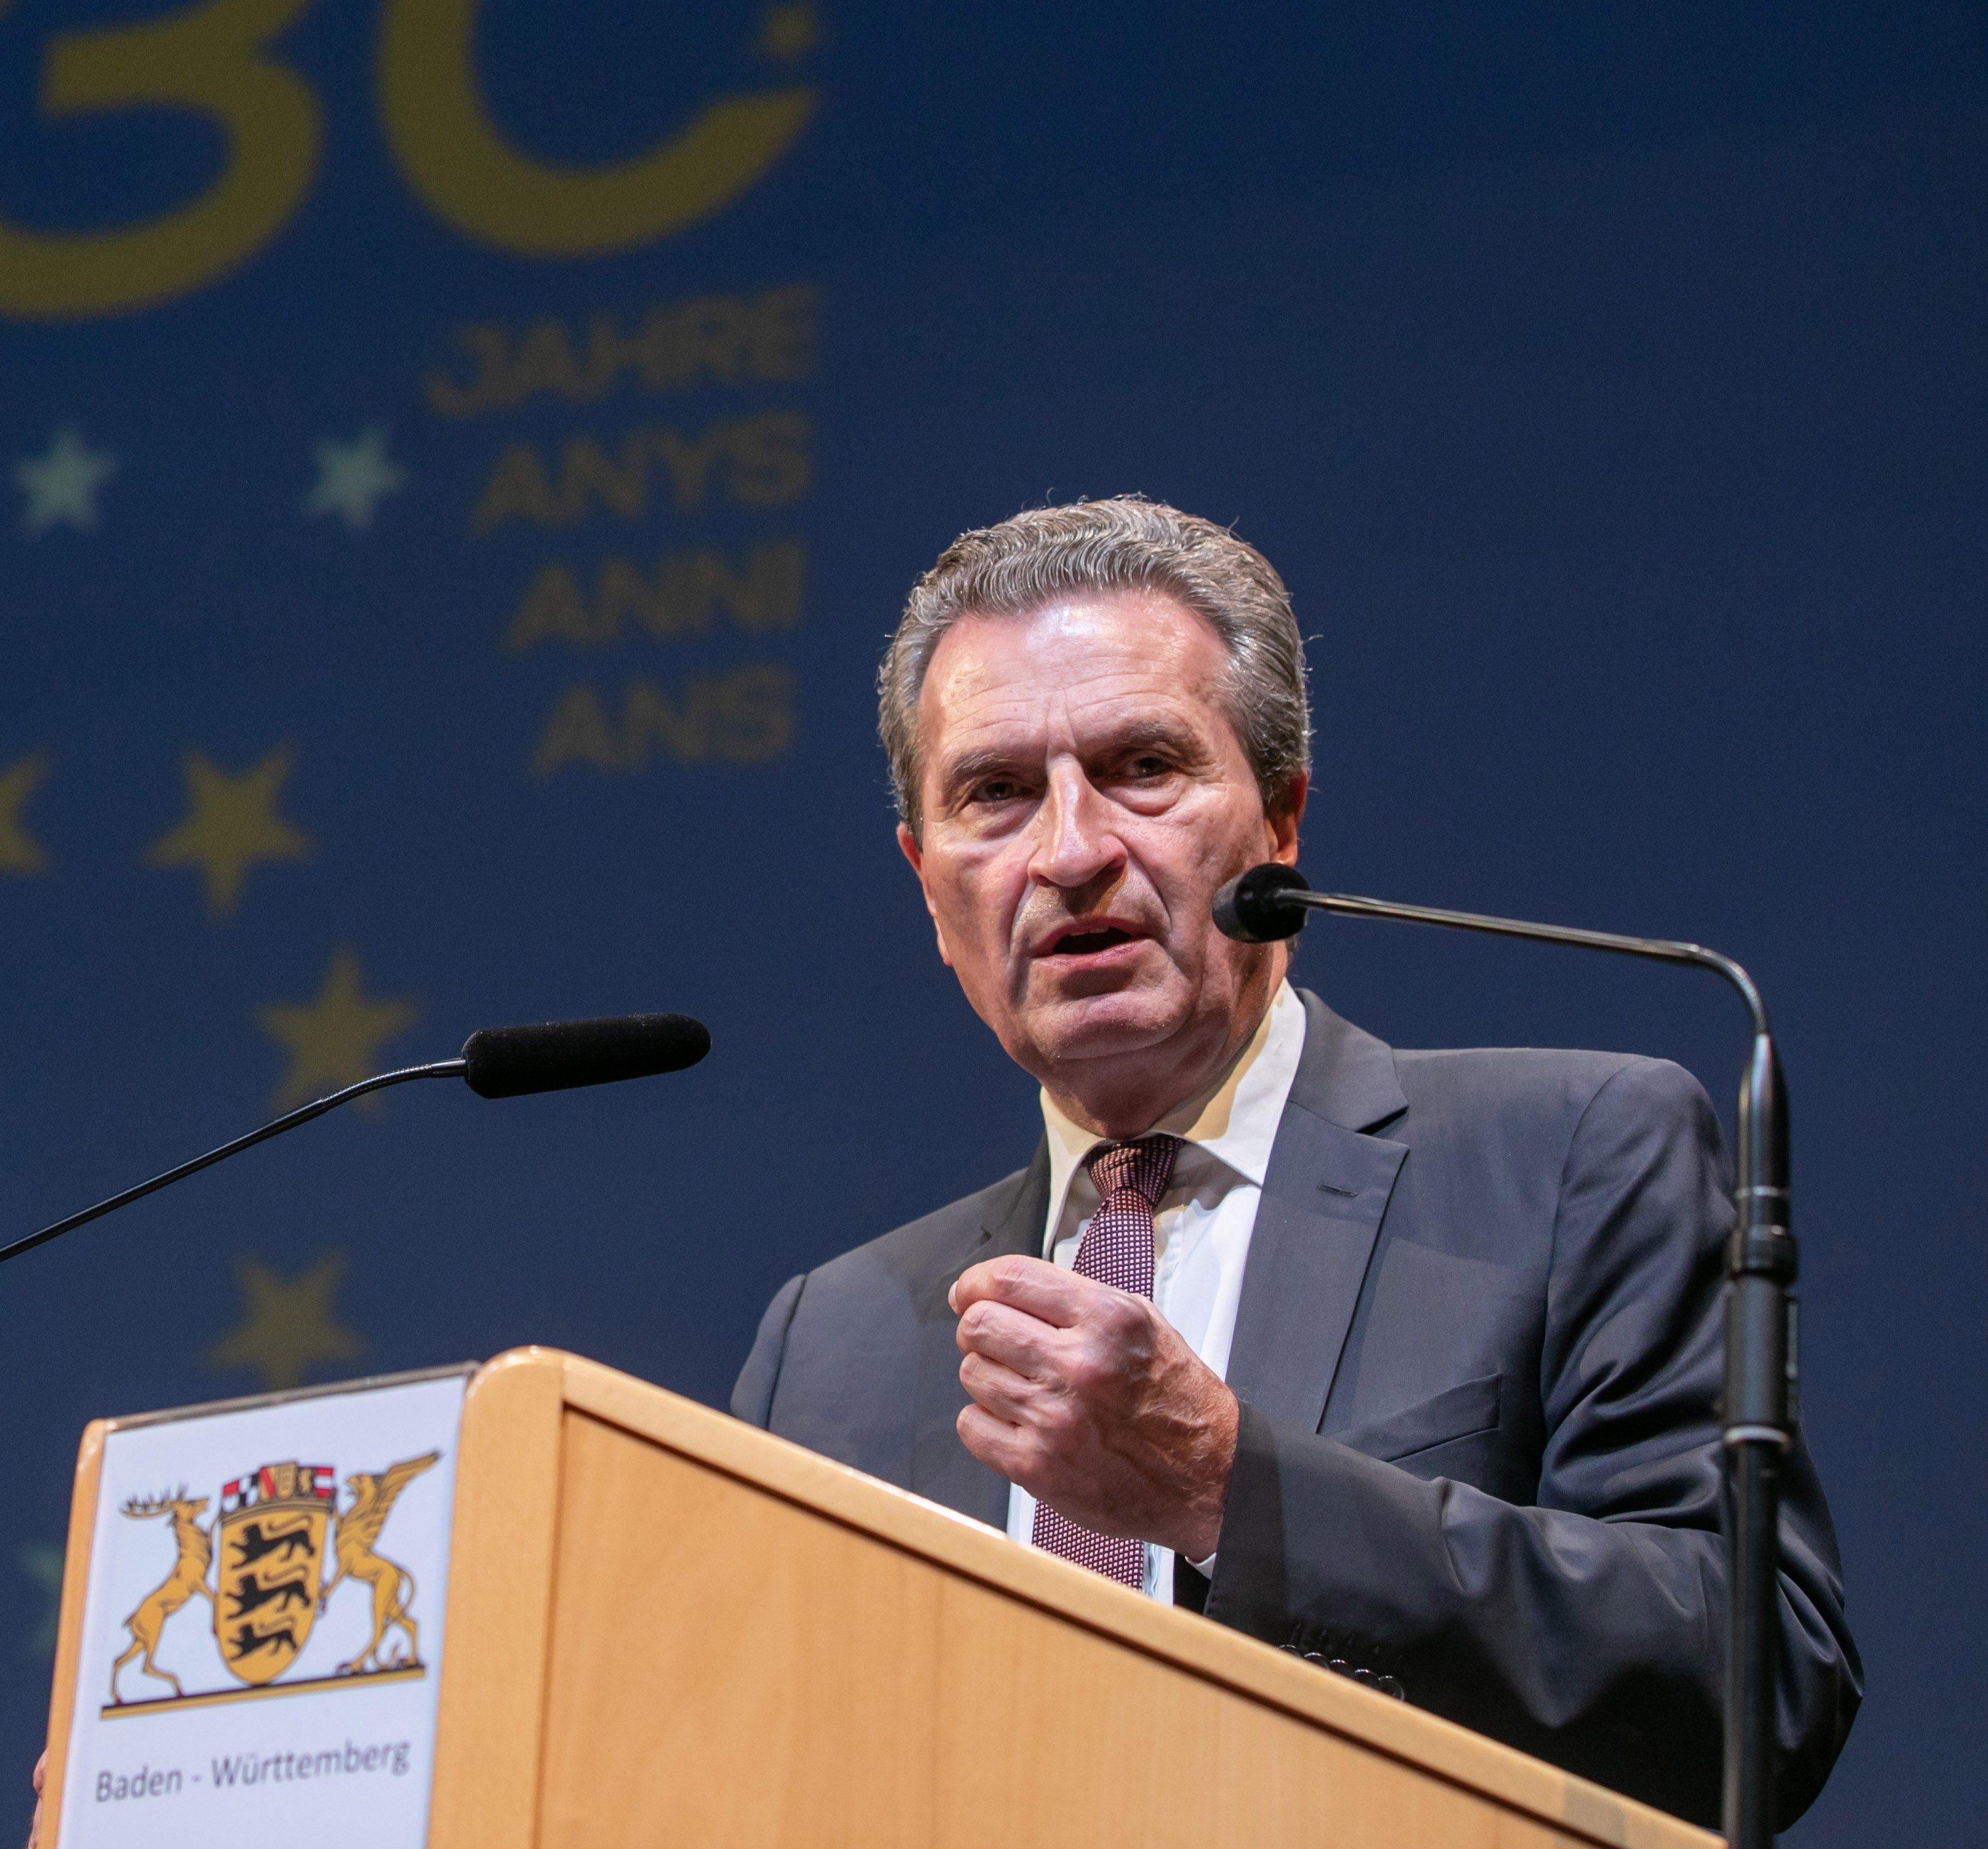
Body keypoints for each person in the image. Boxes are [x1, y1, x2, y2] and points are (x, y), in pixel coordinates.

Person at [730, 498, 1858, 1828]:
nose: (1072, 851)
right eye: (997, 794)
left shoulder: (1571, 1161)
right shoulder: (829, 1346)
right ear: (930, 886)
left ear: (1281, 819)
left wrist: (1230, 1492)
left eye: (1142, 766)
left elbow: (1754, 1686)